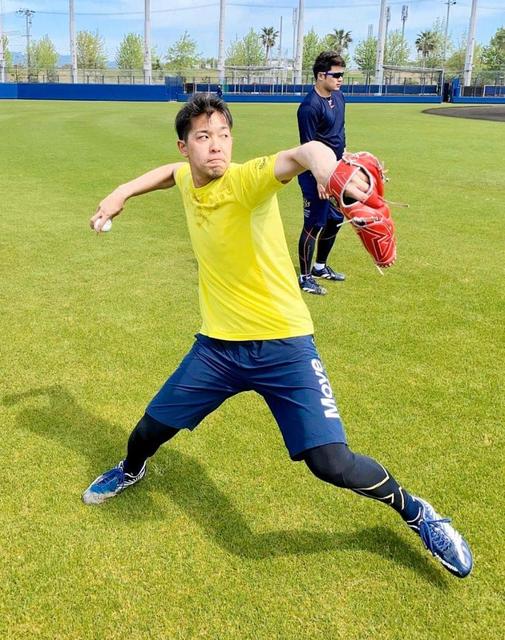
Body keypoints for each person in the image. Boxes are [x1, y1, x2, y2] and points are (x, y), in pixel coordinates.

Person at [83, 94, 473, 578]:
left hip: (285, 346)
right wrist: (121, 192)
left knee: (332, 462)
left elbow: (305, 153)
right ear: (185, 146)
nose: (216, 147)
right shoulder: (187, 176)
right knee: (147, 430)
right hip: (218, 349)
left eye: (224, 135)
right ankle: (131, 469)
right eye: (203, 137)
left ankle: (418, 513)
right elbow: (168, 173)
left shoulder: (249, 180)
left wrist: (330, 174)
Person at [297, 51, 348, 296]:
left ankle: (319, 267)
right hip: (313, 174)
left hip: (336, 171)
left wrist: (346, 155)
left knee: (336, 219)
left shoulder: (339, 98)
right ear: (320, 76)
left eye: (342, 75)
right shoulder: (308, 107)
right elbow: (308, 148)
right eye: (336, 75)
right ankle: (305, 278)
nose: (340, 80)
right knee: (314, 224)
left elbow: (340, 131)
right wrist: (319, 178)